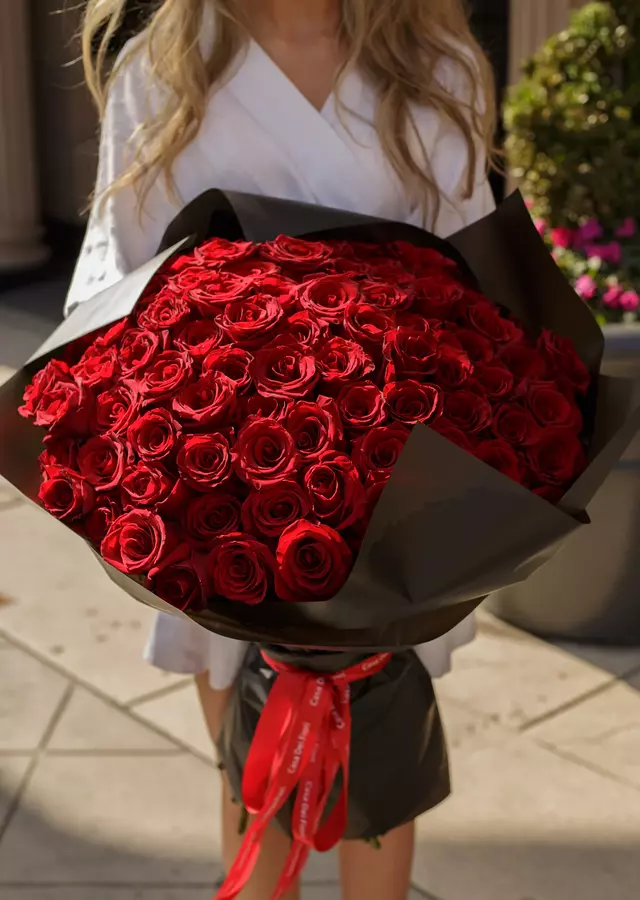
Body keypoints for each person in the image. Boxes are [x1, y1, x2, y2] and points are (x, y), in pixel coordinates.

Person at [69, 2, 498, 898]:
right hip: (219, 512)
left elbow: (479, 296)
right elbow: (114, 281)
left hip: (390, 521)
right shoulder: (166, 68)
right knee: (255, 793)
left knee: (377, 793)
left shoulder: (434, 63)